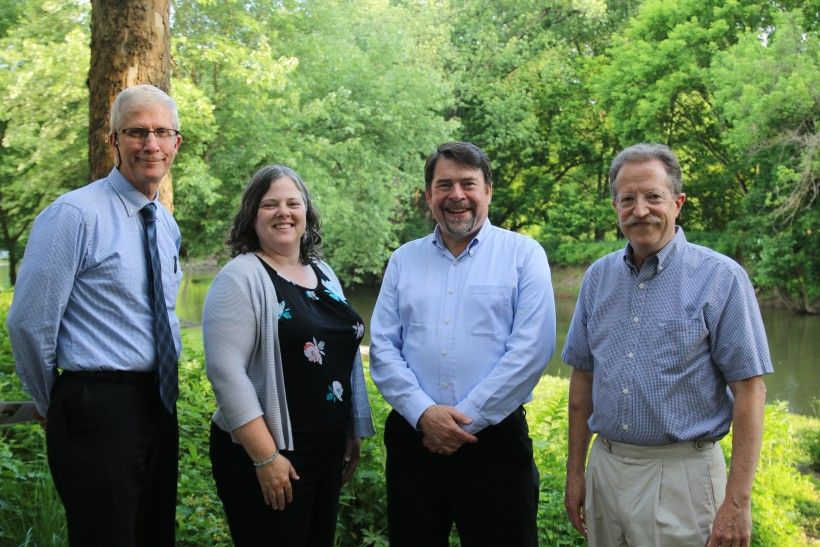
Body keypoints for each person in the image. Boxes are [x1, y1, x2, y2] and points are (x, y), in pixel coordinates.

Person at [562, 142, 772, 546]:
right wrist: (576, 472)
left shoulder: (721, 279)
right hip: (605, 467)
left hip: (683, 478)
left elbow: (750, 391)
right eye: (628, 199)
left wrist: (737, 501)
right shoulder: (597, 279)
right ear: (615, 207)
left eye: (653, 197)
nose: (640, 209)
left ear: (677, 202)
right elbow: (582, 379)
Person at [7, 84, 183, 546]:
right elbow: (30, 322)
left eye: (162, 132)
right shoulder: (73, 215)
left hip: (160, 403)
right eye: (137, 132)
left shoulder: (164, 222)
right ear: (113, 141)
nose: (151, 144)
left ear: (176, 143)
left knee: (154, 533)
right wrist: (53, 402)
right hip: (95, 407)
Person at [370, 141, 556, 547]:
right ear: (428, 195)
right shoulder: (403, 260)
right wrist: (425, 415)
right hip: (413, 440)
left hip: (495, 444)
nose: (457, 196)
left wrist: (463, 419)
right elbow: (383, 348)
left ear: (488, 190)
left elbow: (531, 351)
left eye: (468, 184)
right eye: (444, 185)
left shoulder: (524, 255)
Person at [202, 165, 375, 547]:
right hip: (268, 450)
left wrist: (351, 429)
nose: (284, 212)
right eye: (270, 204)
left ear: (306, 214)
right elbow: (225, 372)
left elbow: (343, 356)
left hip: (325, 449)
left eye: (293, 203)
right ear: (252, 215)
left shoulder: (324, 273)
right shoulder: (239, 277)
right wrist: (265, 458)